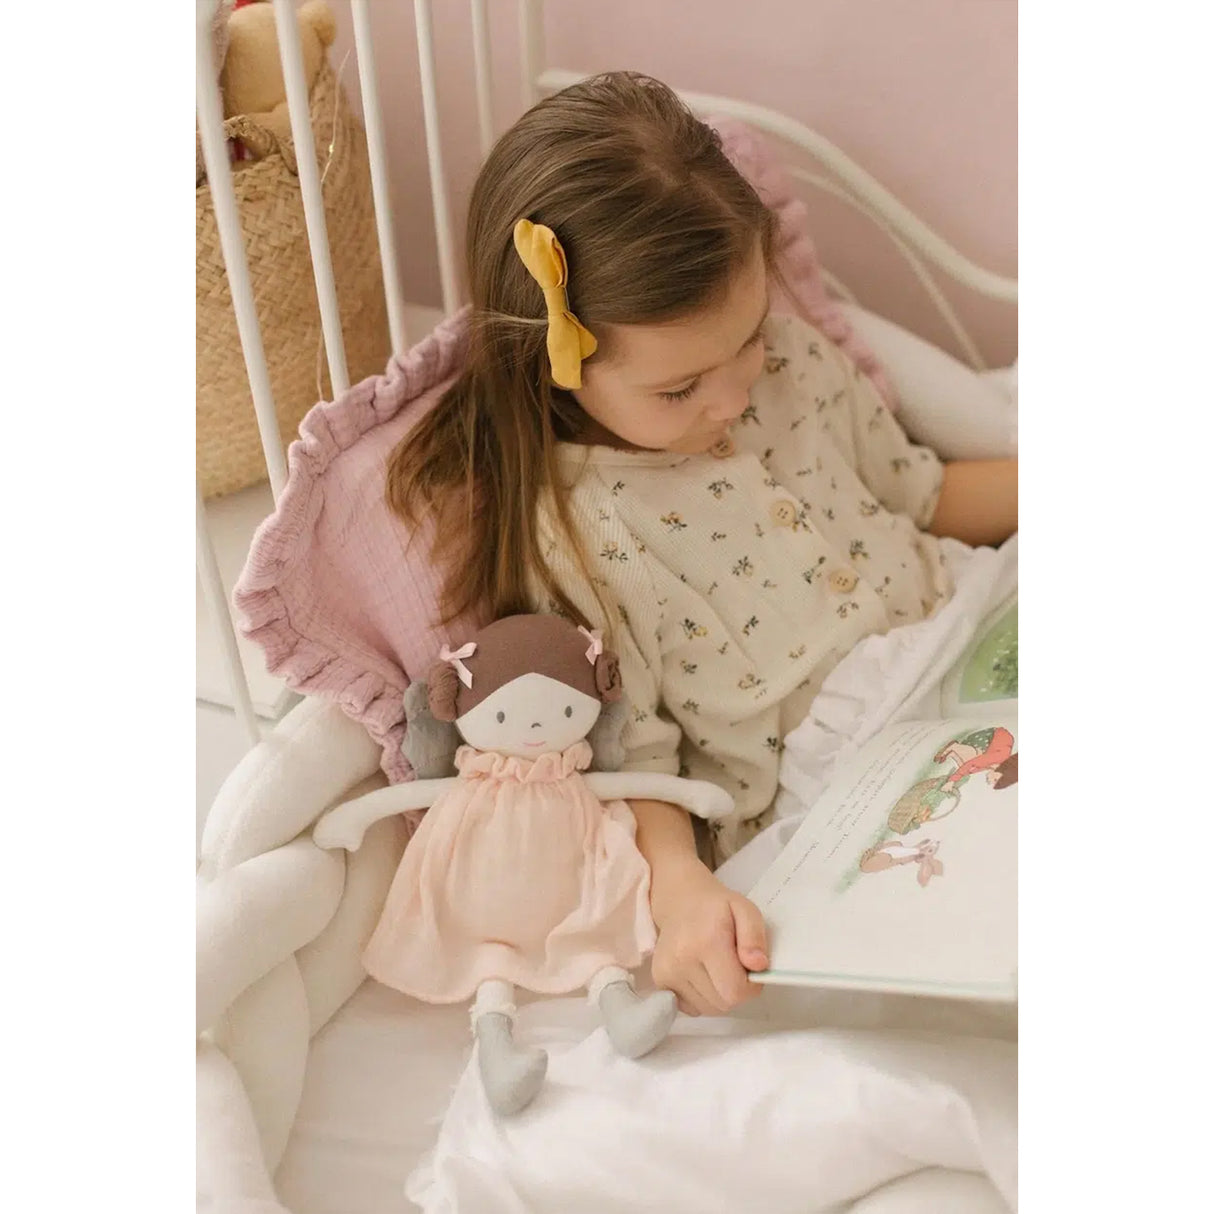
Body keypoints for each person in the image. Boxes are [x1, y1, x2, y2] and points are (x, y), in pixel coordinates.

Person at [386, 72, 1017, 1021]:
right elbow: (635, 748)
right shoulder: (576, 530)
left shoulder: (794, 364)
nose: (731, 400)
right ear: (555, 361)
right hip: (836, 779)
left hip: (970, 643)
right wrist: (679, 889)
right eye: (679, 392)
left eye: (749, 341)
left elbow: (921, 494)